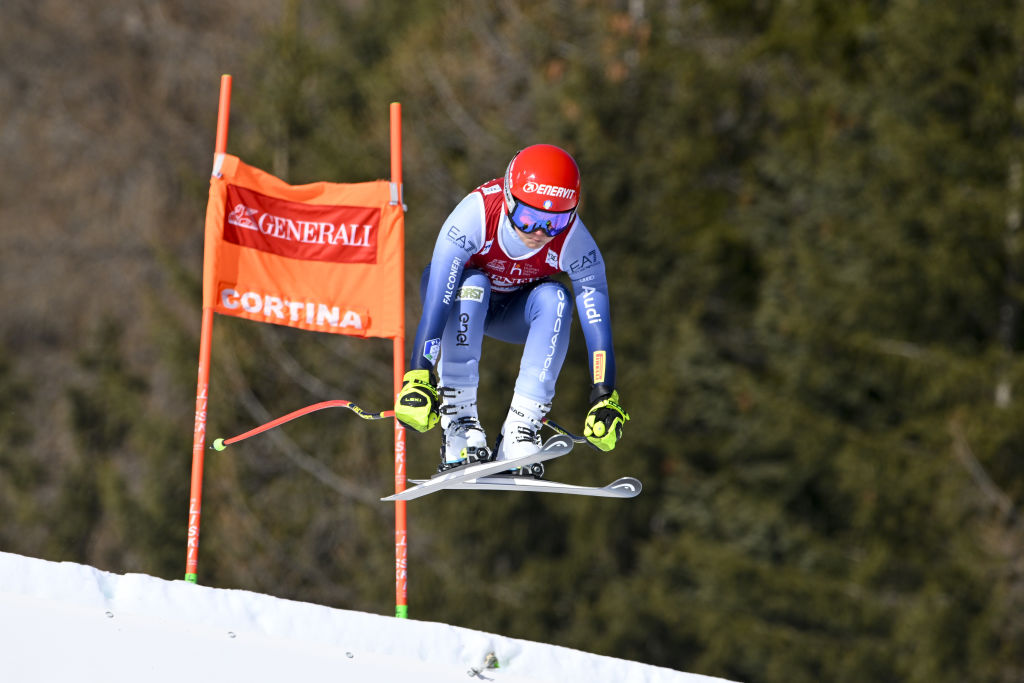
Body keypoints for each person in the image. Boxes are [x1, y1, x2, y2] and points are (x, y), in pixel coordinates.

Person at [393, 144, 628, 472]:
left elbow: (597, 323)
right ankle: (458, 426)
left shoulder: (575, 242)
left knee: (556, 299)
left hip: (511, 314)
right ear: (507, 199)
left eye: (555, 222)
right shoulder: (474, 216)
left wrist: (604, 395)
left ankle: (520, 431)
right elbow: (437, 302)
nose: (540, 233)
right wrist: (419, 373)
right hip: (459, 301)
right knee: (475, 284)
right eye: (528, 217)